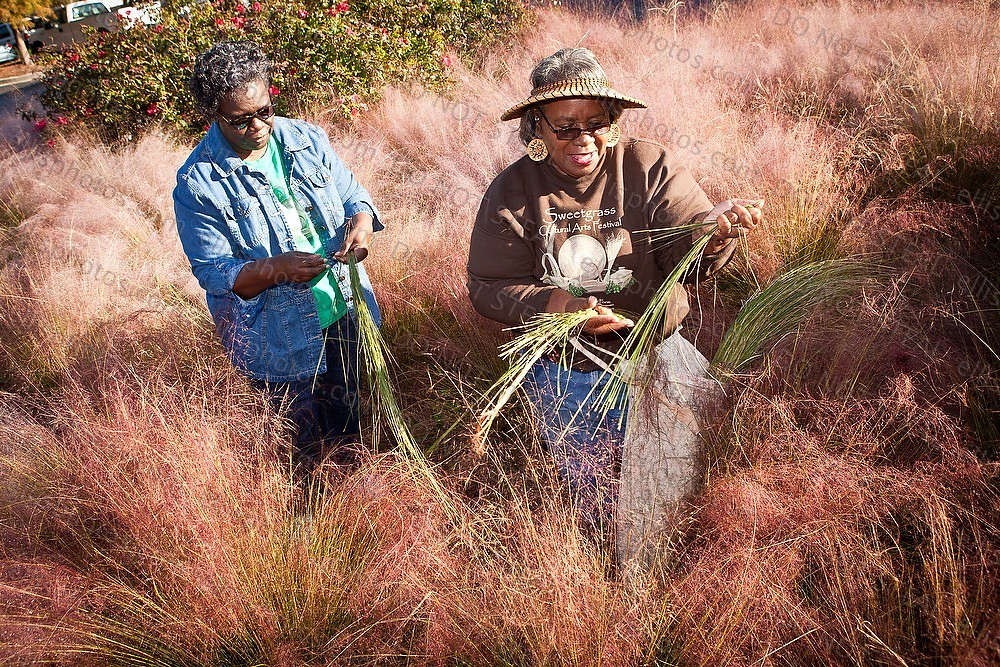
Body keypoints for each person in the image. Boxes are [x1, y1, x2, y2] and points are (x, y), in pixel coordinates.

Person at [467, 47, 763, 536]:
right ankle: (605, 572)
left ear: (614, 121)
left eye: (597, 122)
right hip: (570, 373)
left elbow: (687, 260)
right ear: (535, 127)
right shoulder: (512, 192)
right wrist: (561, 307)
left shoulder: (648, 166)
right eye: (564, 126)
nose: (582, 138)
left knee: (674, 488)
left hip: (656, 357)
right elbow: (487, 286)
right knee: (597, 498)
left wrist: (709, 232)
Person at [174, 41, 382, 474]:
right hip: (279, 341)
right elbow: (216, 275)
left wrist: (360, 226)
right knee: (302, 448)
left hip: (344, 310)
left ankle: (358, 504)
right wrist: (276, 269)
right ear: (213, 113)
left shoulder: (304, 138)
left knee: (350, 429)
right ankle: (310, 522)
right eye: (240, 119)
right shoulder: (198, 185)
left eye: (264, 110)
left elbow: (352, 196)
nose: (257, 127)